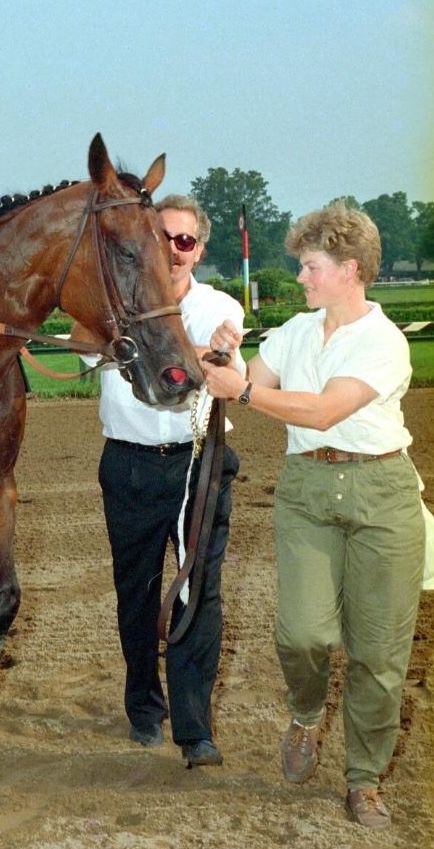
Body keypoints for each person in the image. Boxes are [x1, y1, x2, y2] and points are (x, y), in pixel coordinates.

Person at [201, 203, 425, 829]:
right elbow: (250, 375)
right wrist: (223, 359)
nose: (301, 278)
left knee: (379, 655)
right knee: (303, 633)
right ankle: (305, 713)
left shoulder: (382, 340)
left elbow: (325, 411)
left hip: (382, 494)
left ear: (351, 269)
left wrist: (242, 391)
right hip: (306, 489)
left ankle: (364, 779)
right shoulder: (295, 332)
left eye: (311, 267)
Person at [91, 195, 245, 767]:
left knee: (197, 591)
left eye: (185, 241)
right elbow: (97, 357)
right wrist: (191, 355)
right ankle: (143, 708)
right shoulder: (118, 301)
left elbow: (224, 371)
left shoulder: (218, 305)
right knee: (134, 594)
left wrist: (210, 357)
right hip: (128, 463)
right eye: (165, 238)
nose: (175, 250)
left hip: (197, 460)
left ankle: (195, 729)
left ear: (199, 249)